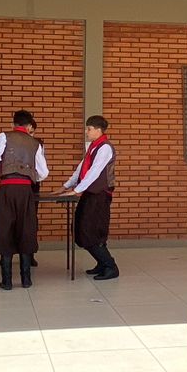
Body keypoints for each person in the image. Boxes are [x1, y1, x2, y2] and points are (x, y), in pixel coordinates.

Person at [0, 109, 48, 290]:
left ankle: (6, 281)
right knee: (26, 229)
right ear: (29, 126)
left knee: (5, 227)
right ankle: (26, 279)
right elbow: (44, 172)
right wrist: (31, 177)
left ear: (13, 124)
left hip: (7, 188)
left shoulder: (4, 136)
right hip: (26, 190)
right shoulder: (35, 143)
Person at [58, 115, 118, 280]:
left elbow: (94, 171)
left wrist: (77, 190)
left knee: (92, 231)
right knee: (82, 229)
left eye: (89, 129)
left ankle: (110, 267)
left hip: (99, 195)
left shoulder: (105, 148)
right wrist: (66, 186)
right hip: (89, 194)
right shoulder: (92, 147)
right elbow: (81, 169)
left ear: (98, 130)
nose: (86, 131)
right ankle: (101, 263)